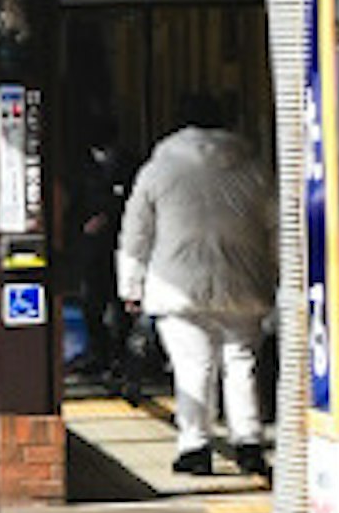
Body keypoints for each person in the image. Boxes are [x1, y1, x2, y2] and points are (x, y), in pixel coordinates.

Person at [117, 88, 280, 480]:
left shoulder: (160, 168)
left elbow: (136, 231)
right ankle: (249, 441)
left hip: (177, 286)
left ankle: (195, 445)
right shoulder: (253, 167)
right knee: (241, 362)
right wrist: (280, 279)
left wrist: (131, 285)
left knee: (194, 366)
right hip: (244, 281)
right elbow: (277, 226)